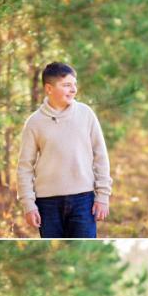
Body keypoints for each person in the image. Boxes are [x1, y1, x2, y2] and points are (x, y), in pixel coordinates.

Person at [16, 62, 112, 238]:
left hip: (83, 200)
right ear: (49, 88)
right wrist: (28, 204)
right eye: (67, 85)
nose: (73, 90)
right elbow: (24, 167)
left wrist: (103, 196)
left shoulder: (86, 114)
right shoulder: (34, 122)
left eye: (74, 84)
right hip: (47, 203)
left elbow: (101, 157)